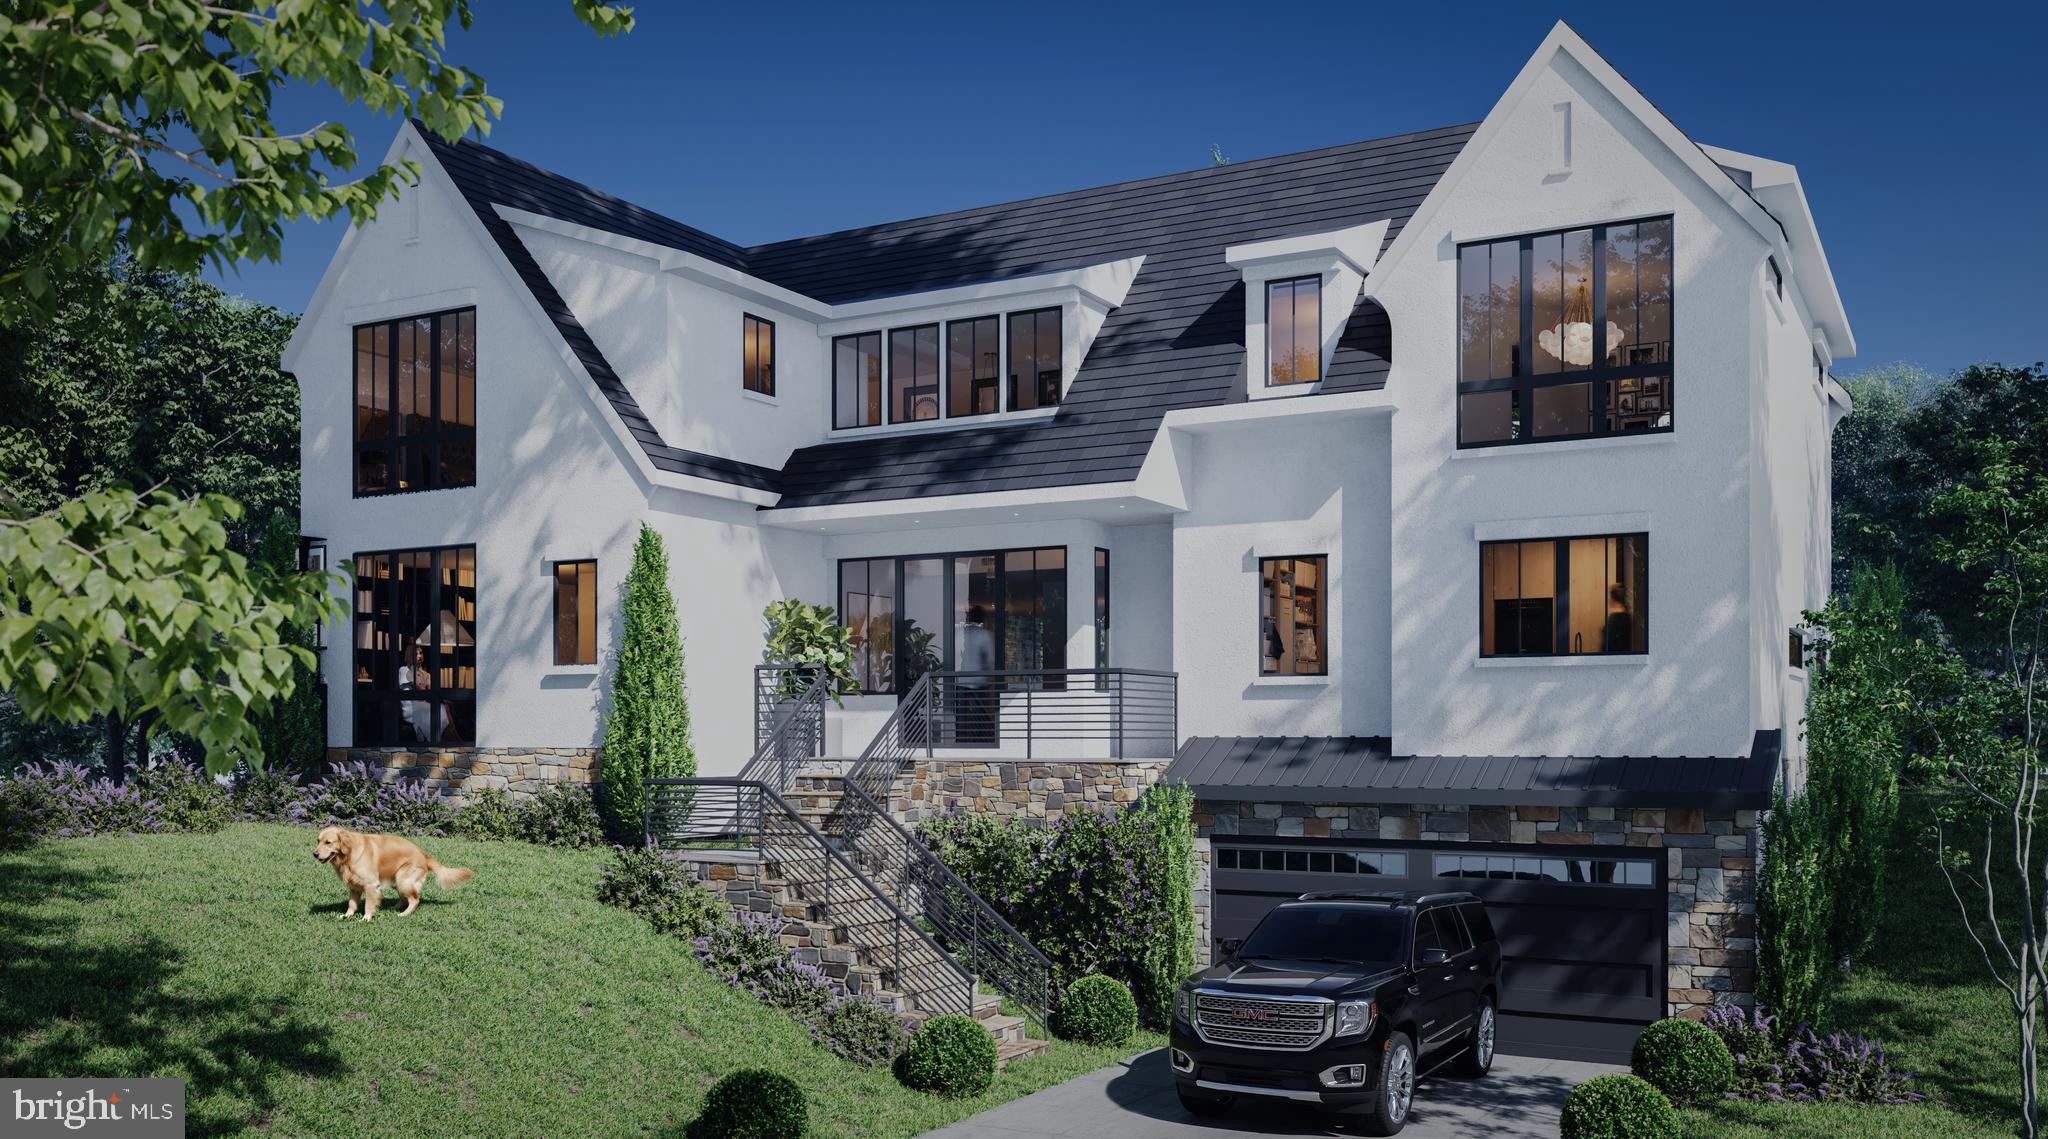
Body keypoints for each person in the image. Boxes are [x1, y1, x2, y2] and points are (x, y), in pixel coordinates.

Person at [956, 606, 997, 746]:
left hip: (961, 679)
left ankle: (961, 739)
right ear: (982, 618)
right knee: (979, 711)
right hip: (978, 680)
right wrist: (990, 677)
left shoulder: (960, 634)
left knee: (961, 712)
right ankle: (979, 739)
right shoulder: (984, 635)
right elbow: (991, 660)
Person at [398, 643, 437, 742]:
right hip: (410, 706)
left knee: (444, 708)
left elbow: (430, 690)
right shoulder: (404, 670)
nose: (419, 656)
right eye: (416, 654)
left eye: (421, 653)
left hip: (422, 704)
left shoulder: (426, 674)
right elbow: (418, 687)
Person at [1603, 582, 1634, 653]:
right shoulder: (1626, 616)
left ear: (1613, 598)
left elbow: (1610, 644)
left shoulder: (1615, 618)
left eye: (1610, 596)